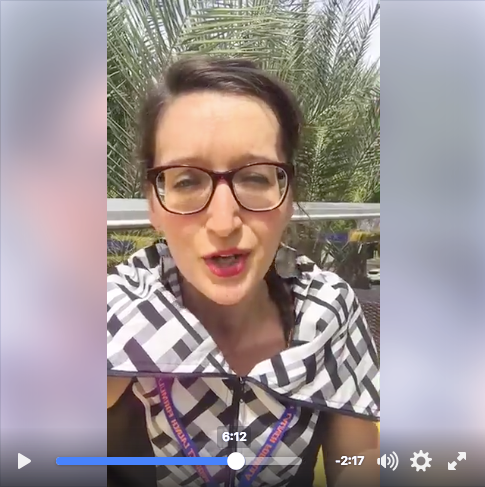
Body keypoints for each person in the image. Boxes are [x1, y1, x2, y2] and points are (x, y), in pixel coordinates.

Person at [107, 57, 380, 487]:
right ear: (153, 204)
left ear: (289, 195)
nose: (223, 222)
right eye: (186, 181)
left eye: (254, 178)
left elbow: (359, 461)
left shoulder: (328, 311)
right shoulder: (115, 309)